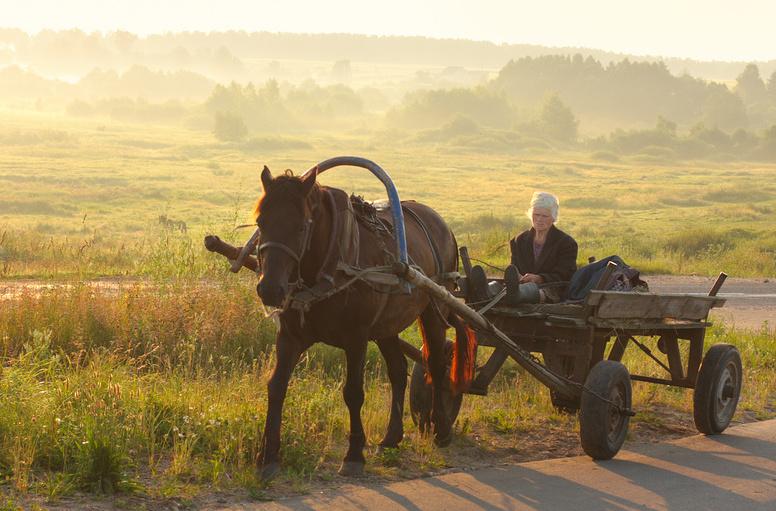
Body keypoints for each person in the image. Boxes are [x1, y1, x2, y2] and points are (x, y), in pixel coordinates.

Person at [505, 191, 578, 304]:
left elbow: (564, 275)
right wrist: (517, 276)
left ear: (553, 218)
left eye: (544, 216)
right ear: (531, 215)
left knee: (535, 293)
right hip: (521, 286)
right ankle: (488, 291)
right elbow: (514, 267)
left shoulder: (566, 243)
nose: (539, 219)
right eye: (536, 215)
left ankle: (518, 295)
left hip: (552, 290)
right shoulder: (518, 240)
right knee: (502, 289)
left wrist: (540, 278)